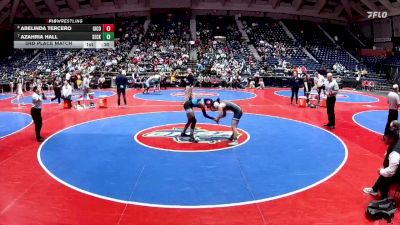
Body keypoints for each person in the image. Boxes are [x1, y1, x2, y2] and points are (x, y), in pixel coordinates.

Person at [363, 121, 400, 199]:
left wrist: (381, 171)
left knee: (386, 175)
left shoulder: (395, 154)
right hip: (397, 167)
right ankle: (375, 189)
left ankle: (384, 199)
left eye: (385, 137)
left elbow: (391, 171)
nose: (384, 138)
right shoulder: (397, 139)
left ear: (391, 138)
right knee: (385, 172)